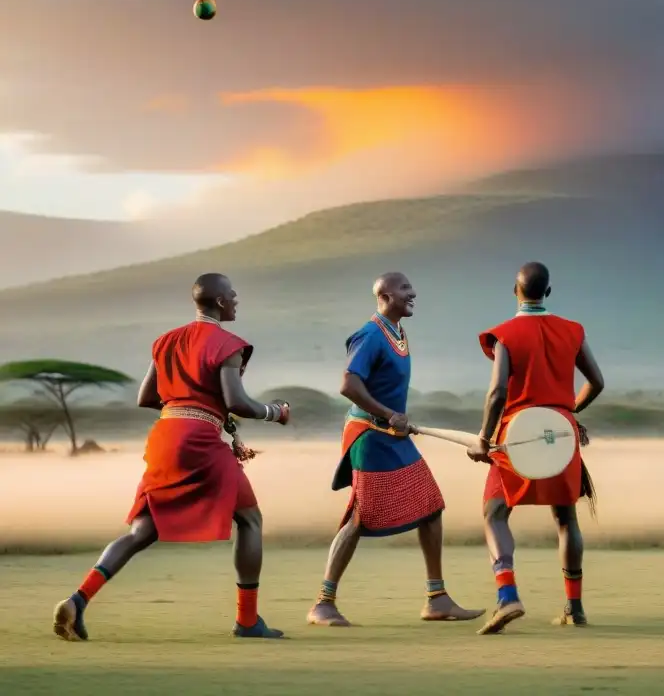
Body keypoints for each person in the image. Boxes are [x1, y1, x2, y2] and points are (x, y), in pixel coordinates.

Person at [52, 273, 291, 642]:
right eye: (233, 294)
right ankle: (247, 621)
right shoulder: (229, 344)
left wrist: (192, 405)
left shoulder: (165, 341)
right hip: (200, 442)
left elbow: (146, 398)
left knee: (142, 530)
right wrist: (276, 411)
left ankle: (78, 599)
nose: (237, 299)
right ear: (221, 302)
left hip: (165, 437)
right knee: (250, 521)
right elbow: (238, 402)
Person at [306, 272, 482, 627]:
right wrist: (388, 414)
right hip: (370, 437)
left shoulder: (397, 332)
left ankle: (437, 599)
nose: (413, 292)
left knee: (431, 506)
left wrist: (393, 420)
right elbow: (348, 384)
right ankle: (323, 604)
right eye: (405, 289)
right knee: (359, 518)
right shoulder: (371, 334)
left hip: (391, 436)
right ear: (384, 295)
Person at [468, 261, 605, 635]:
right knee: (566, 519)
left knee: (495, 512)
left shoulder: (504, 336)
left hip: (517, 435)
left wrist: (483, 438)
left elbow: (497, 392)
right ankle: (574, 608)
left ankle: (507, 594)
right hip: (560, 435)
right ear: (548, 292)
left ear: (515, 292)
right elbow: (597, 381)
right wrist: (566, 413)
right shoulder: (573, 331)